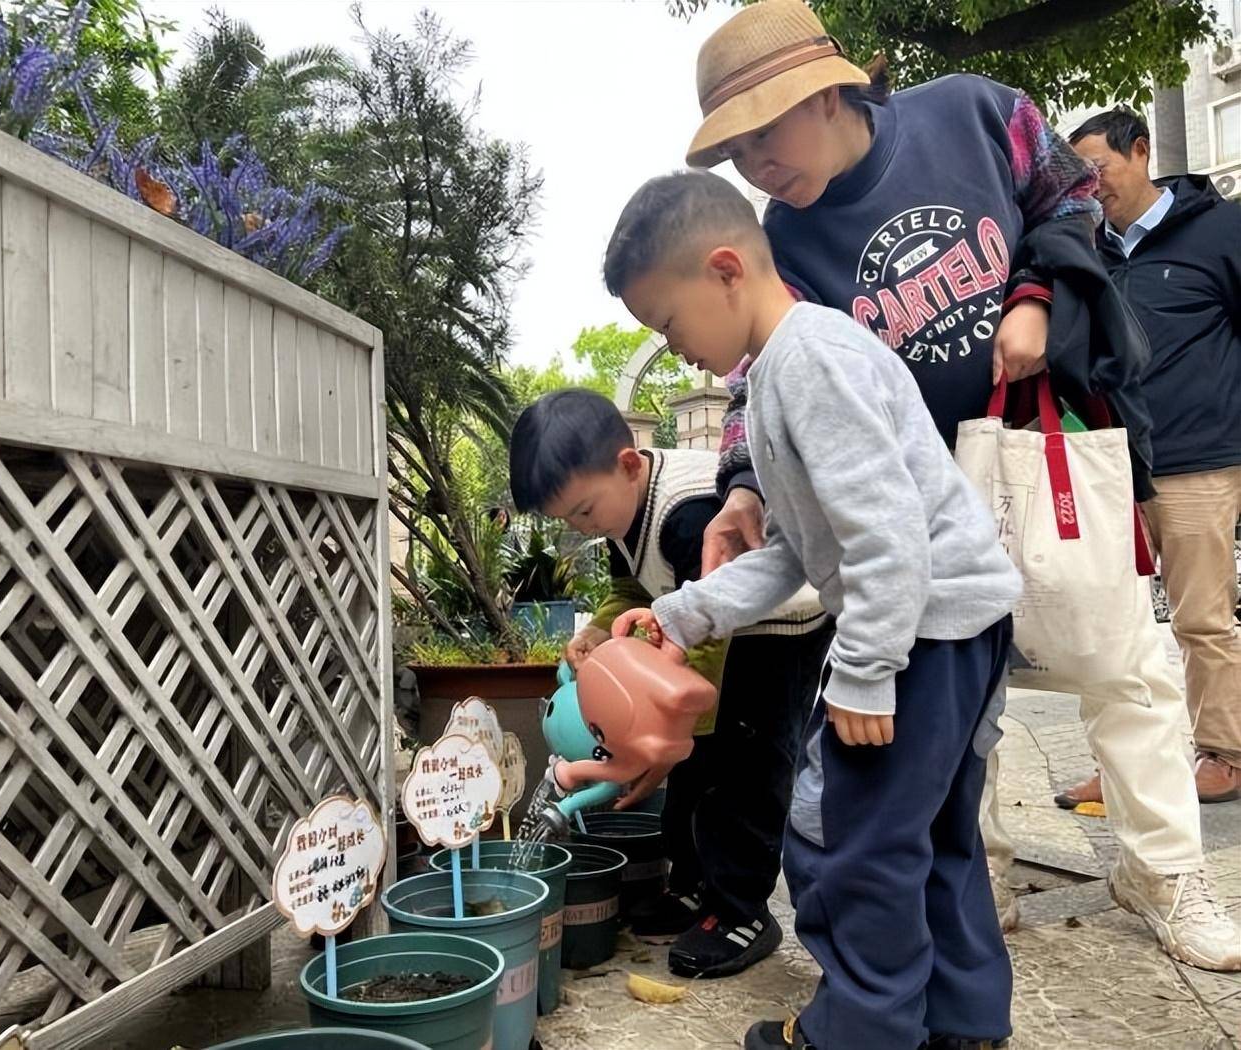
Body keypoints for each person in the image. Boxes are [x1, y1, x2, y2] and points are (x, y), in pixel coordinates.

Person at [687, 0, 1240, 970]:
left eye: (762, 133)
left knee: (1120, 657)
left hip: (1042, 438)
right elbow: (760, 364)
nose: (755, 166)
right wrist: (742, 484)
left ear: (823, 93)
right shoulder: (783, 234)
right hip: (912, 493)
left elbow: (1068, 198)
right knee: (938, 684)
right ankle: (972, 873)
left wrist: (1031, 299)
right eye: (734, 152)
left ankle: (1160, 871)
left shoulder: (972, 112)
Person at [605, 169, 1020, 1050]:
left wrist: (866, 672)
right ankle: (964, 1018)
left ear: (724, 269)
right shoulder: (787, 371)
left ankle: (859, 1030)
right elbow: (796, 550)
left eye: (669, 325)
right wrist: (683, 614)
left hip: (920, 634)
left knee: (851, 842)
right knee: (935, 834)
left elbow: (886, 533)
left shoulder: (808, 363)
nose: (676, 350)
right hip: (954, 622)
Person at [508, 389, 832, 978]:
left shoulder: (688, 514)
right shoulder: (617, 513)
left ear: (629, 464)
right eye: (566, 521)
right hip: (707, 633)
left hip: (775, 627)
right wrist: (600, 631)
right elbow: (634, 591)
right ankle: (691, 887)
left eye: (583, 512)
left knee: (744, 768)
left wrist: (663, 744)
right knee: (695, 770)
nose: (582, 527)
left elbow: (710, 628)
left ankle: (742, 910)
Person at [1069, 107, 1241, 806]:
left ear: (1139, 152)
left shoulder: (1220, 230)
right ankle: (1126, 763)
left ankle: (1223, 754)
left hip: (1198, 458)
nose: (1089, 188)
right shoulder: (1086, 248)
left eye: (1097, 171)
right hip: (1110, 465)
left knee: (1202, 616)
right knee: (1112, 626)